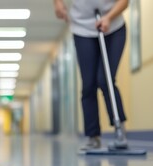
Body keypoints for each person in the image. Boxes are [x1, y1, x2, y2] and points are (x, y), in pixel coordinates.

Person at [54, 0, 129, 150]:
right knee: (88, 85)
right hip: (82, 30)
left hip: (113, 26)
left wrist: (109, 17)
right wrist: (57, 3)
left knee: (105, 80)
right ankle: (93, 136)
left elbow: (125, 1)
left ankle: (120, 130)